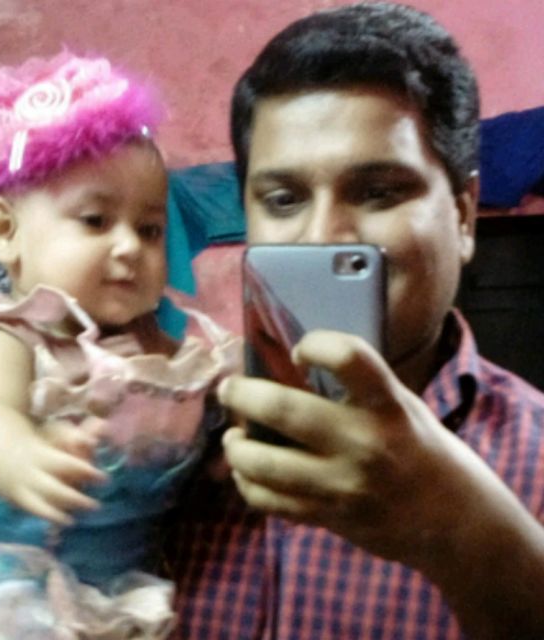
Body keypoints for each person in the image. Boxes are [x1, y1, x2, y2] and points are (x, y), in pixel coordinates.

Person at [168, 3, 544, 639]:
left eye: (378, 192)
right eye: (283, 199)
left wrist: (465, 532)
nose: (323, 235)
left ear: (462, 215)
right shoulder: (173, 432)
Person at [0, 51, 239, 639]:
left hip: (128, 590)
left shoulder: (166, 348)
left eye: (150, 229)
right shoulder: (4, 338)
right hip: (11, 596)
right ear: (5, 231)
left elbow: (207, 406)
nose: (130, 247)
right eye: (95, 221)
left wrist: (233, 404)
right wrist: (20, 454)